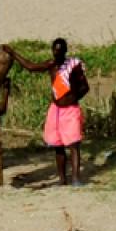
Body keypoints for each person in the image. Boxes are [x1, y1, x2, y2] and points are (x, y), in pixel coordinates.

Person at [39, 37, 89, 185]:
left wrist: (73, 98)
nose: (57, 53)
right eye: (55, 50)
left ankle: (76, 179)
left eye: (60, 50)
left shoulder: (73, 66)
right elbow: (31, 67)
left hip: (71, 110)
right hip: (56, 110)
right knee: (58, 146)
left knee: (74, 145)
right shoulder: (51, 65)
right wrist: (13, 53)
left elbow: (85, 87)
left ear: (65, 51)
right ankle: (62, 180)